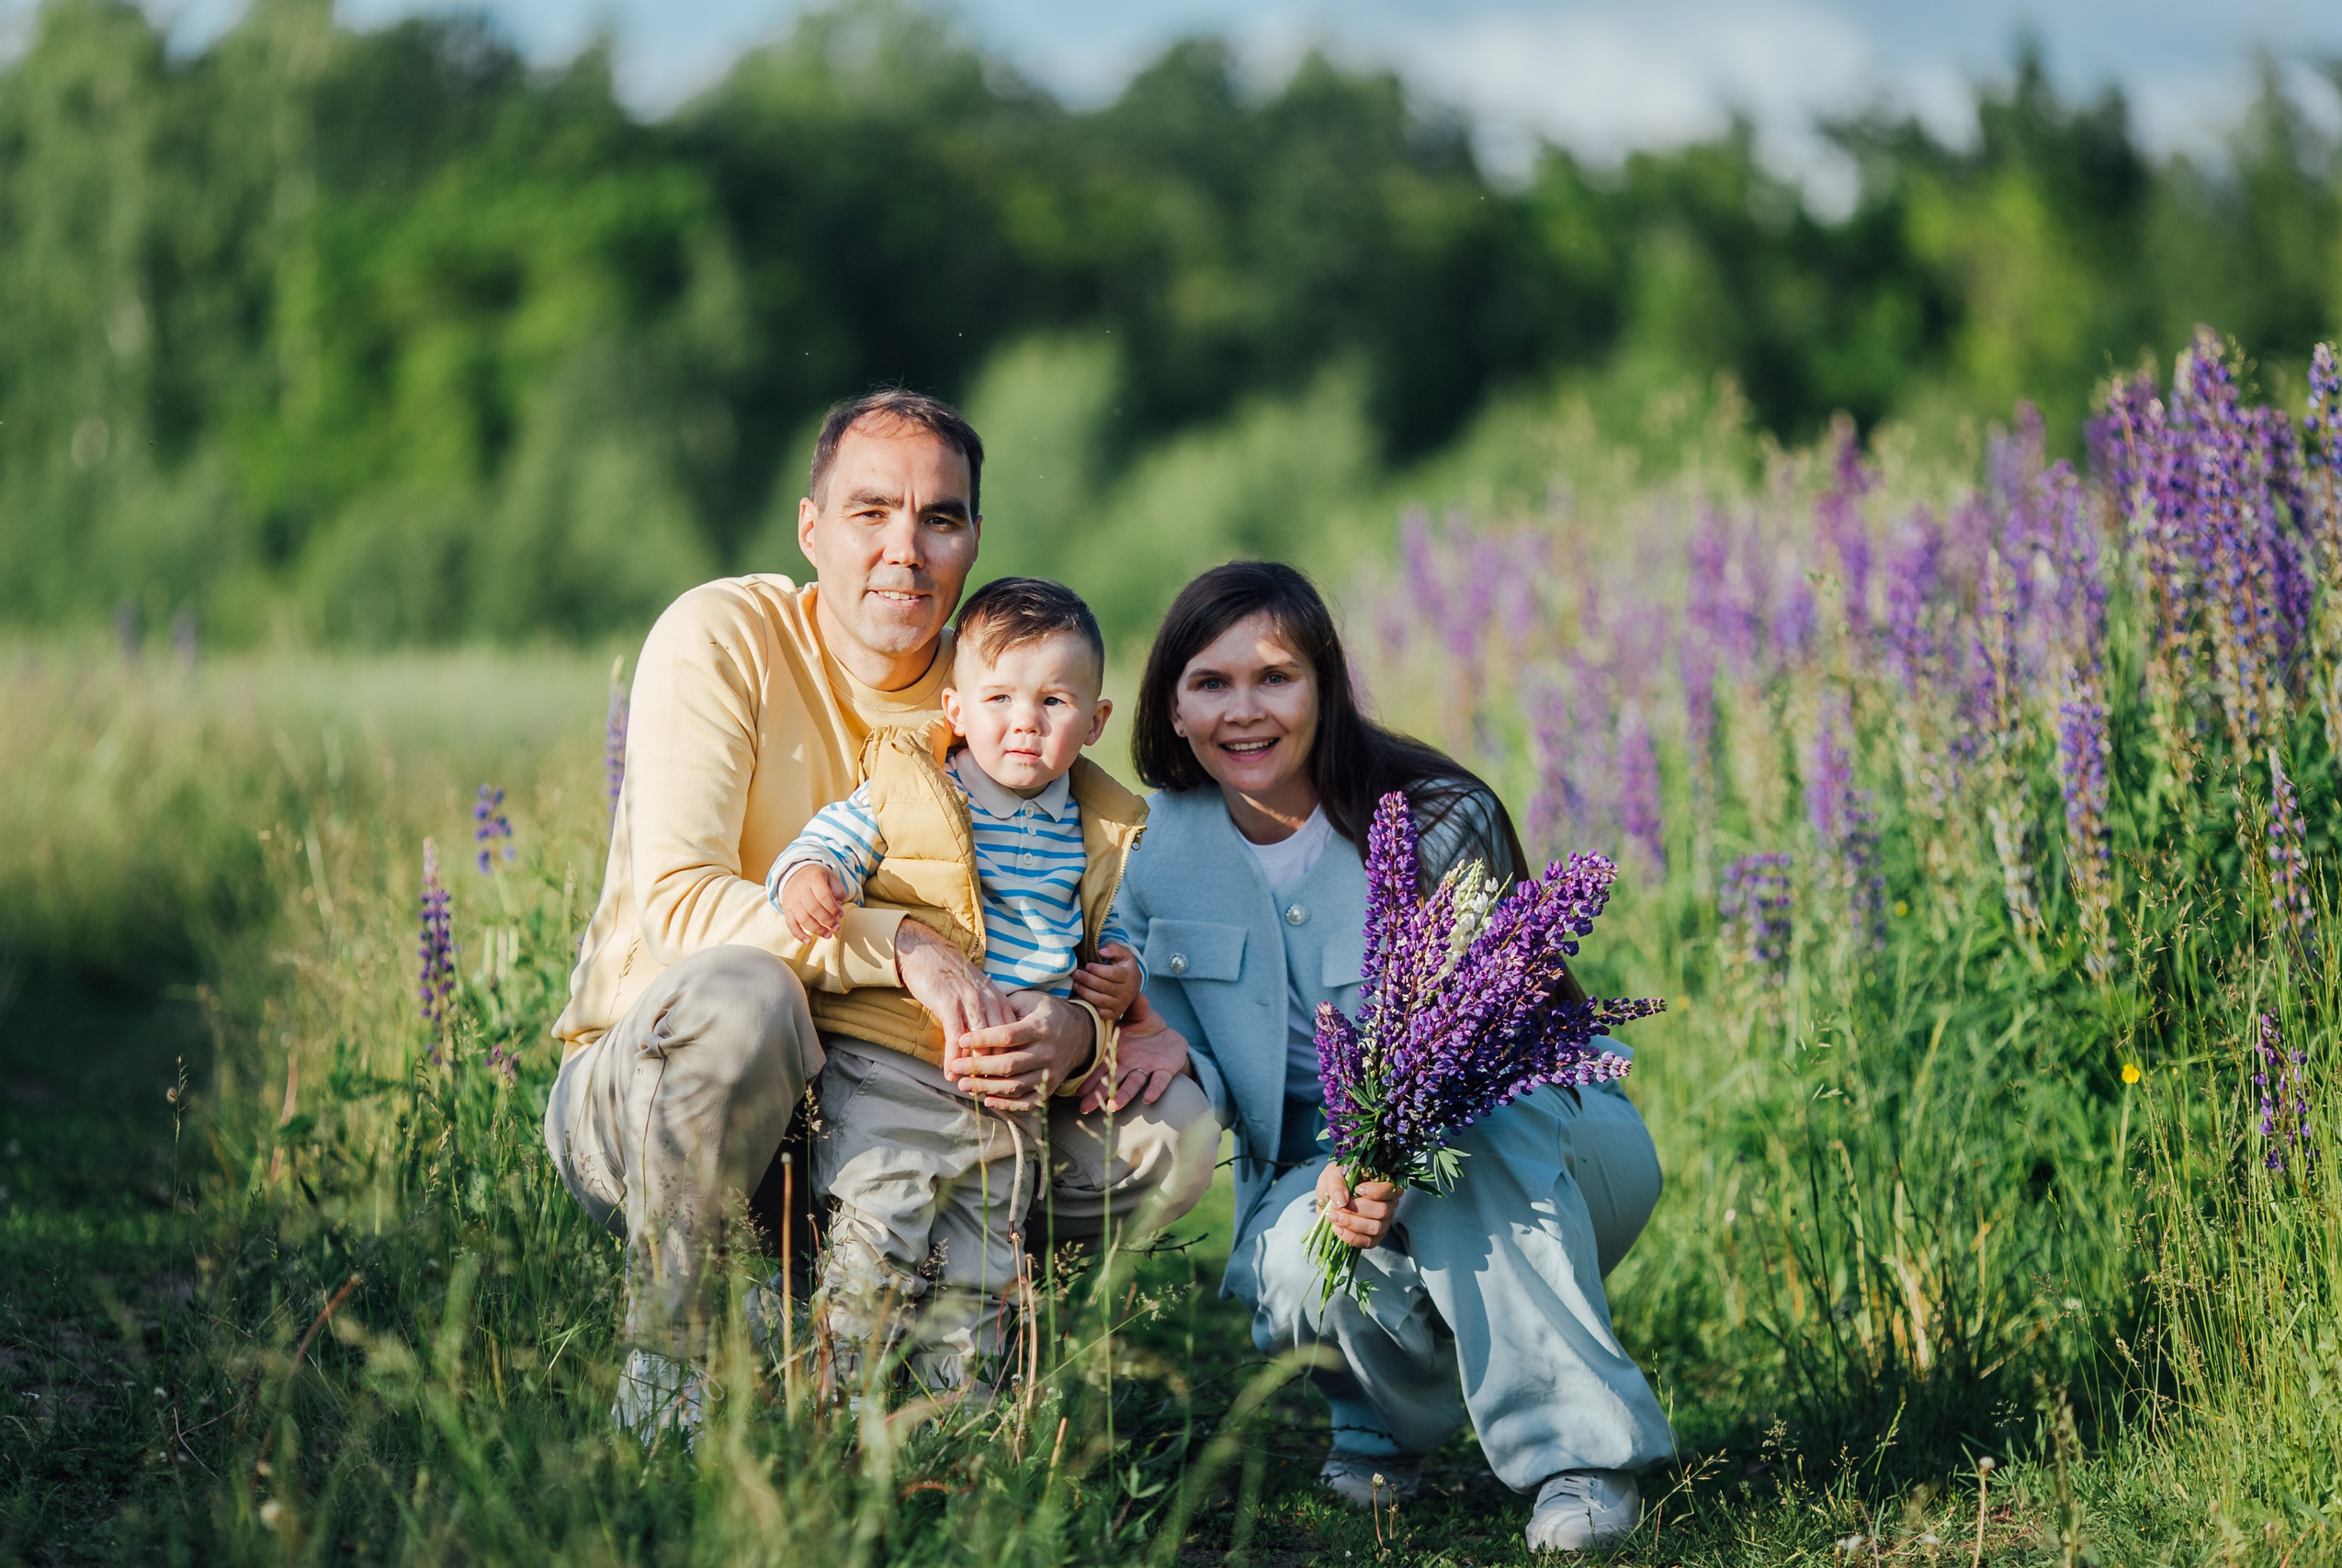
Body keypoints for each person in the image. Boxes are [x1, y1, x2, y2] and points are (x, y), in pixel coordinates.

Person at [542, 390, 1215, 1438]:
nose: (906, 548)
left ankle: (940, 1338)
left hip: (916, 1093)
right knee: (747, 995)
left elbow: (1089, 890)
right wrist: (901, 946)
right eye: (870, 512)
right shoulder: (726, 635)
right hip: (658, 1096)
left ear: (974, 540)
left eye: (939, 518)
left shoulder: (1000, 684)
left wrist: (1079, 1031)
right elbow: (679, 906)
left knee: (1172, 1133)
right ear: (810, 527)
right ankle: (675, 1364)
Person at [1118, 561, 1674, 1553]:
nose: (1243, 710)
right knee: (1299, 1264)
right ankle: (1385, 1420)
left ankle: (1580, 1457)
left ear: (1325, 687)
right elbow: (1183, 1054)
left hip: (1540, 1134)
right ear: (1172, 705)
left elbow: (1493, 1041)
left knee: (1468, 1155)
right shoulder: (1146, 851)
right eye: (1210, 682)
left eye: (1275, 677)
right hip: (1313, 1166)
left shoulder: (1434, 814)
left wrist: (1393, 1155)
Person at [768, 575, 1202, 1392]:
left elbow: (1120, 923)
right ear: (956, 708)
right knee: (879, 1233)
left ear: (1095, 721)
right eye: (999, 697)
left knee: (984, 1265)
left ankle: (957, 1419)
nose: (1025, 721)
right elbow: (829, 841)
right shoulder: (916, 789)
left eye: (1054, 701)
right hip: (897, 1068)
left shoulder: (1100, 827)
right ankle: (834, 1404)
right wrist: (807, 877)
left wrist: (1122, 972)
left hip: (1010, 1097)